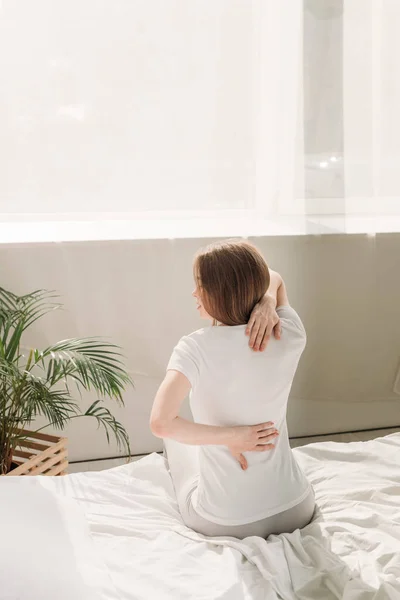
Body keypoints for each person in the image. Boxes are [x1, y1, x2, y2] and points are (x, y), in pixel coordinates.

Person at [150, 239, 315, 539]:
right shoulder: (288, 332)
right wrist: (266, 301)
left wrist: (233, 437)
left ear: (221, 292)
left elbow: (160, 423)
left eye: (200, 285)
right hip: (296, 508)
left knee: (176, 440)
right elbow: (274, 278)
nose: (194, 293)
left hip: (224, 521)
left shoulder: (194, 348)